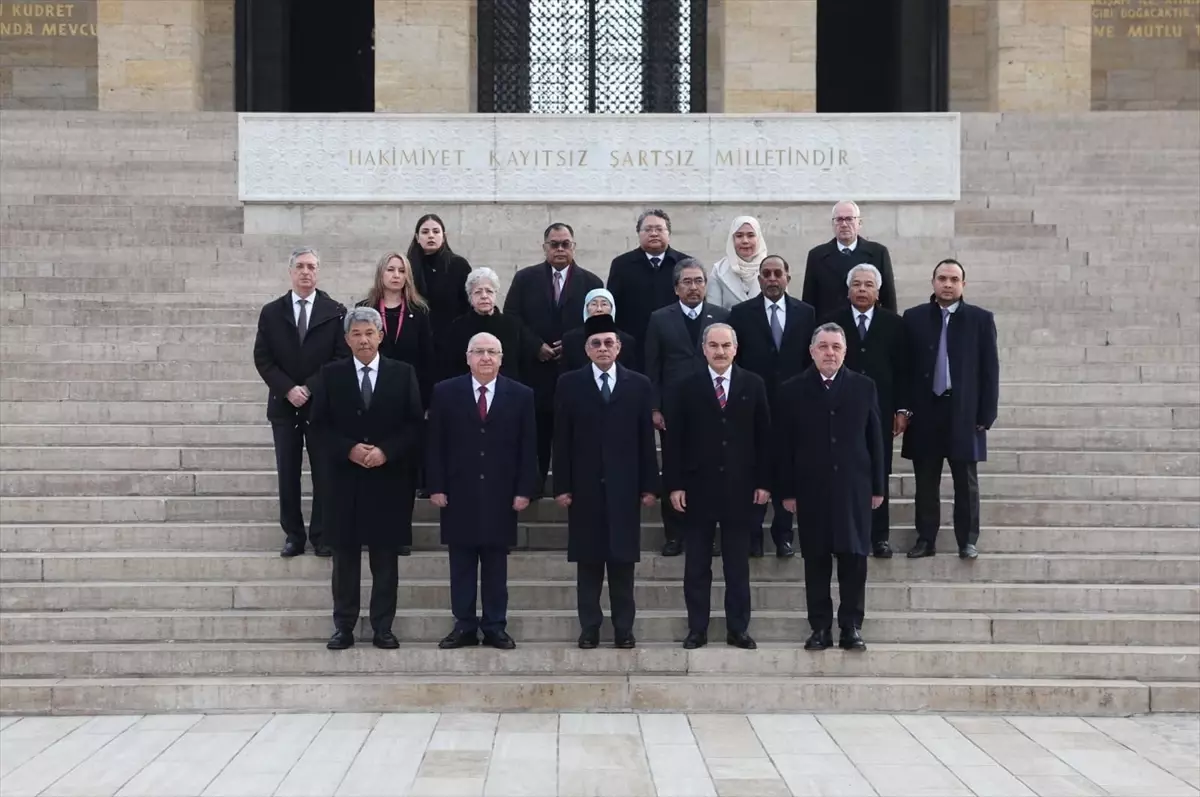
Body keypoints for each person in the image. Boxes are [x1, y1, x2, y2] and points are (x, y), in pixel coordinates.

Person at [309, 308, 424, 651]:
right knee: (344, 560)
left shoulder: (402, 374)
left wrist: (386, 451)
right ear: (346, 339)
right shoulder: (330, 375)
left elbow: (415, 425)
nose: (363, 339)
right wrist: (348, 450)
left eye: (369, 333)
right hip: (343, 483)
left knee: (385, 560)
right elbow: (318, 428)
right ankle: (343, 626)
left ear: (380, 336)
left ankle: (382, 628)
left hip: (388, 482)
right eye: (356, 333)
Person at [775, 323, 885, 652]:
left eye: (836, 347)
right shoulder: (792, 389)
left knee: (854, 559)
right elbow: (785, 447)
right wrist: (788, 491)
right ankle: (820, 627)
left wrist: (877, 486)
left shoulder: (864, 386)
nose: (829, 353)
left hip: (854, 487)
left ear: (845, 351)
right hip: (812, 488)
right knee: (817, 559)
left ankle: (851, 626)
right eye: (823, 347)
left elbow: (875, 440)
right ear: (811, 351)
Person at [426, 332, 539, 650]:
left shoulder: (521, 395)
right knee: (460, 565)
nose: (485, 357)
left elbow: (528, 446)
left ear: (502, 358)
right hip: (458, 492)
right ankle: (463, 625)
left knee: (495, 566)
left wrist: (524, 490)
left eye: (492, 352)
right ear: (467, 357)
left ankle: (494, 626)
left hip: (501, 494)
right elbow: (435, 443)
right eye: (479, 351)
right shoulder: (446, 392)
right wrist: (435, 486)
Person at [553, 314, 659, 650]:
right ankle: (590, 628)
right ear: (586, 349)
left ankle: (623, 629)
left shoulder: (638, 384)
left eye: (608, 342)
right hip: (584, 488)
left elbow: (646, 439)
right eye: (596, 343)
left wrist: (649, 485)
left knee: (622, 564)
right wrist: (562, 486)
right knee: (588, 564)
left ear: (619, 347)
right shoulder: (569, 383)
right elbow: (562, 439)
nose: (603, 348)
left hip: (624, 487)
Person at [664, 324, 771, 650]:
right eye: (714, 345)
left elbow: (765, 438)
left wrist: (765, 483)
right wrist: (675, 484)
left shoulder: (753, 384)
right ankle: (697, 628)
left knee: (737, 566)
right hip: (698, 489)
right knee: (696, 565)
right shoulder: (686, 386)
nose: (720, 351)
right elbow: (674, 441)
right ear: (704, 349)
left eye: (726, 345)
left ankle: (738, 629)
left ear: (735, 349)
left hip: (741, 489)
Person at [252, 247, 349, 558]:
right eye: (300, 266)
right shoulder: (272, 311)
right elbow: (263, 358)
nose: (306, 272)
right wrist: (288, 389)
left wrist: (308, 388)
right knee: (288, 473)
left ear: (318, 272)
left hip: (320, 406)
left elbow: (340, 357)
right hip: (284, 406)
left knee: (324, 473)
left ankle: (322, 535)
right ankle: (293, 535)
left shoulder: (335, 311)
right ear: (290, 271)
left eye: (311, 266)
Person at [901, 259, 999, 561]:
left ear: (963, 285)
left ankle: (967, 540)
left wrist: (987, 413)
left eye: (954, 279)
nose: (947, 284)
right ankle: (925, 539)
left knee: (965, 482)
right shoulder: (913, 318)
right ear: (933, 282)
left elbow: (989, 370)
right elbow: (905, 370)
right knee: (926, 481)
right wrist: (904, 409)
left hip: (964, 412)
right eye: (942, 278)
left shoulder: (981, 320)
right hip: (925, 412)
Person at [504, 222, 603, 493]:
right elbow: (511, 318)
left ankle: (569, 487)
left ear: (574, 246)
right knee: (536, 431)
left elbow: (598, 322)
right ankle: (533, 486)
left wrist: (571, 345)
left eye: (565, 244)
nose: (560, 249)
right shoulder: (525, 279)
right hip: (535, 370)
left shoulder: (592, 283)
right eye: (554, 244)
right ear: (544, 247)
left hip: (574, 370)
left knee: (572, 433)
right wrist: (536, 345)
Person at [728, 254, 816, 558]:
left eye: (778, 273)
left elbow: (810, 360)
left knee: (786, 468)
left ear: (788, 277)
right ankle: (753, 536)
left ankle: (783, 535)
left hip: (794, 405)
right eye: (766, 273)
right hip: (752, 403)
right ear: (759, 279)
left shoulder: (806, 313)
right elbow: (734, 361)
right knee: (753, 468)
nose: (772, 278)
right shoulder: (740, 314)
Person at [644, 259, 730, 557]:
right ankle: (675, 534)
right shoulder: (659, 319)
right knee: (674, 468)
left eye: (698, 281)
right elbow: (652, 367)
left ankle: (713, 533)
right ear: (676, 287)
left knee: (712, 469)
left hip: (712, 407)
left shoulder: (721, 316)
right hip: (674, 410)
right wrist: (655, 407)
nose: (694, 287)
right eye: (687, 282)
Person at [827, 264, 909, 558]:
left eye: (868, 285)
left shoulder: (894, 324)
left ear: (878, 291)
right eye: (857, 284)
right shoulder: (831, 323)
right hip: (839, 408)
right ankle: (842, 533)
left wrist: (901, 409)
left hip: (880, 408)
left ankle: (879, 536)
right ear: (848, 290)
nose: (862, 289)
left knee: (879, 468)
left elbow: (903, 370)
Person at [607, 209, 693, 370]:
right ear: (638, 233)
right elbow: (612, 307)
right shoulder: (622, 265)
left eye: (659, 229)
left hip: (676, 347)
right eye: (648, 229)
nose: (654, 233)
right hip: (634, 346)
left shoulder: (685, 264)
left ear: (669, 233)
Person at [356, 252, 436, 412]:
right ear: (381, 274)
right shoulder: (365, 309)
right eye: (390, 270)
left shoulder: (419, 311)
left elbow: (427, 357)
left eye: (401, 271)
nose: (396, 275)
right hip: (373, 390)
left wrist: (426, 401)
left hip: (410, 391)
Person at [801, 201, 897, 320]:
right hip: (830, 328)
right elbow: (809, 301)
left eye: (849, 219)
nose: (844, 224)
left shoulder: (878, 253)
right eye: (839, 219)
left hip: (867, 326)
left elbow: (888, 297)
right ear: (833, 224)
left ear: (859, 223)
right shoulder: (817, 255)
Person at [440, 267, 532, 383]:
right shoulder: (457, 327)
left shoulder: (512, 325)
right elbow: (451, 367)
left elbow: (521, 365)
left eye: (489, 291)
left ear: (495, 294)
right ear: (470, 297)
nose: (484, 296)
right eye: (478, 292)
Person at [405, 213, 472, 341]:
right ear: (417, 237)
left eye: (436, 231)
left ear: (444, 236)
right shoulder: (407, 266)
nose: (431, 235)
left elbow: (467, 304)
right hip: (416, 336)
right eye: (425, 232)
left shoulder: (458, 265)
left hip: (451, 338)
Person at [560, 288, 638, 373]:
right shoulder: (570, 339)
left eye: (604, 304)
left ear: (612, 308)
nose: (599, 309)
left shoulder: (627, 340)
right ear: (586, 308)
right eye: (594, 304)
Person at [707, 216, 767, 310]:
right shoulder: (719, 270)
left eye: (751, 235)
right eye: (739, 236)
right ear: (732, 239)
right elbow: (714, 312)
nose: (745, 241)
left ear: (758, 238)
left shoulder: (772, 268)